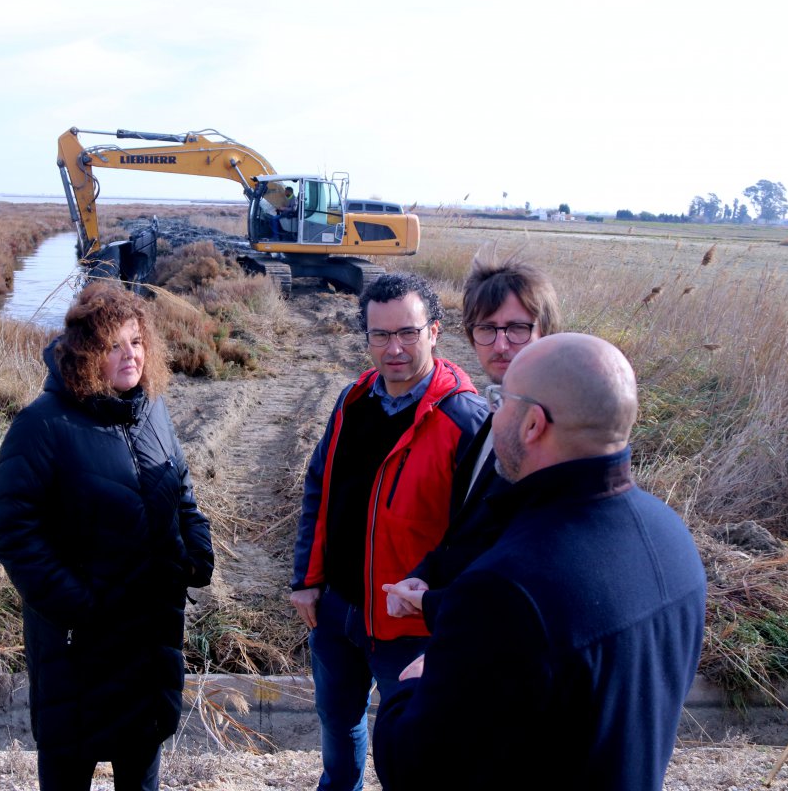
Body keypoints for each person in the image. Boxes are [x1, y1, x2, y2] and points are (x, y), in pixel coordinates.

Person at [374, 333, 708, 790]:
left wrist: (412, 685)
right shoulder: (672, 536)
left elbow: (413, 770)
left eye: (501, 400)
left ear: (533, 423)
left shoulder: (505, 589)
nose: (493, 416)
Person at [0, 281, 214, 791]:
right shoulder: (43, 424)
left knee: (141, 773)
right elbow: (10, 526)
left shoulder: (150, 409)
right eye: (114, 344)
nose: (130, 355)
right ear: (88, 353)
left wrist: (196, 552)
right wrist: (78, 604)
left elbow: (180, 486)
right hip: (78, 650)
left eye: (136, 341)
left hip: (148, 642)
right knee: (70, 771)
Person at [289, 272, 485, 791]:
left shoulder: (464, 419)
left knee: (417, 749)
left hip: (411, 625)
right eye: (380, 335)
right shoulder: (353, 400)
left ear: (435, 332)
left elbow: (478, 537)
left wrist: (447, 617)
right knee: (339, 723)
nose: (394, 348)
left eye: (408, 332)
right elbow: (319, 487)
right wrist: (306, 581)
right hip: (338, 612)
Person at [384, 254, 560, 615]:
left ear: (546, 331)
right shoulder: (493, 415)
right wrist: (428, 575)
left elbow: (533, 566)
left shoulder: (556, 435)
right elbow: (472, 530)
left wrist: (438, 605)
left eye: (518, 329)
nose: (500, 345)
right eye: (486, 329)